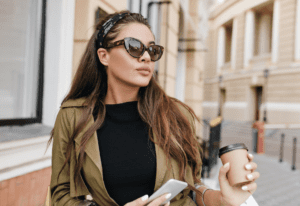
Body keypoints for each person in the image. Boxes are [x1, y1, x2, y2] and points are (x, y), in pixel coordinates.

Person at [48, 11, 260, 206]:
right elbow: (61, 194)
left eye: (152, 49)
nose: (146, 57)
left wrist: (224, 200)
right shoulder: (73, 116)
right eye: (134, 46)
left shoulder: (177, 114)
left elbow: (191, 190)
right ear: (104, 56)